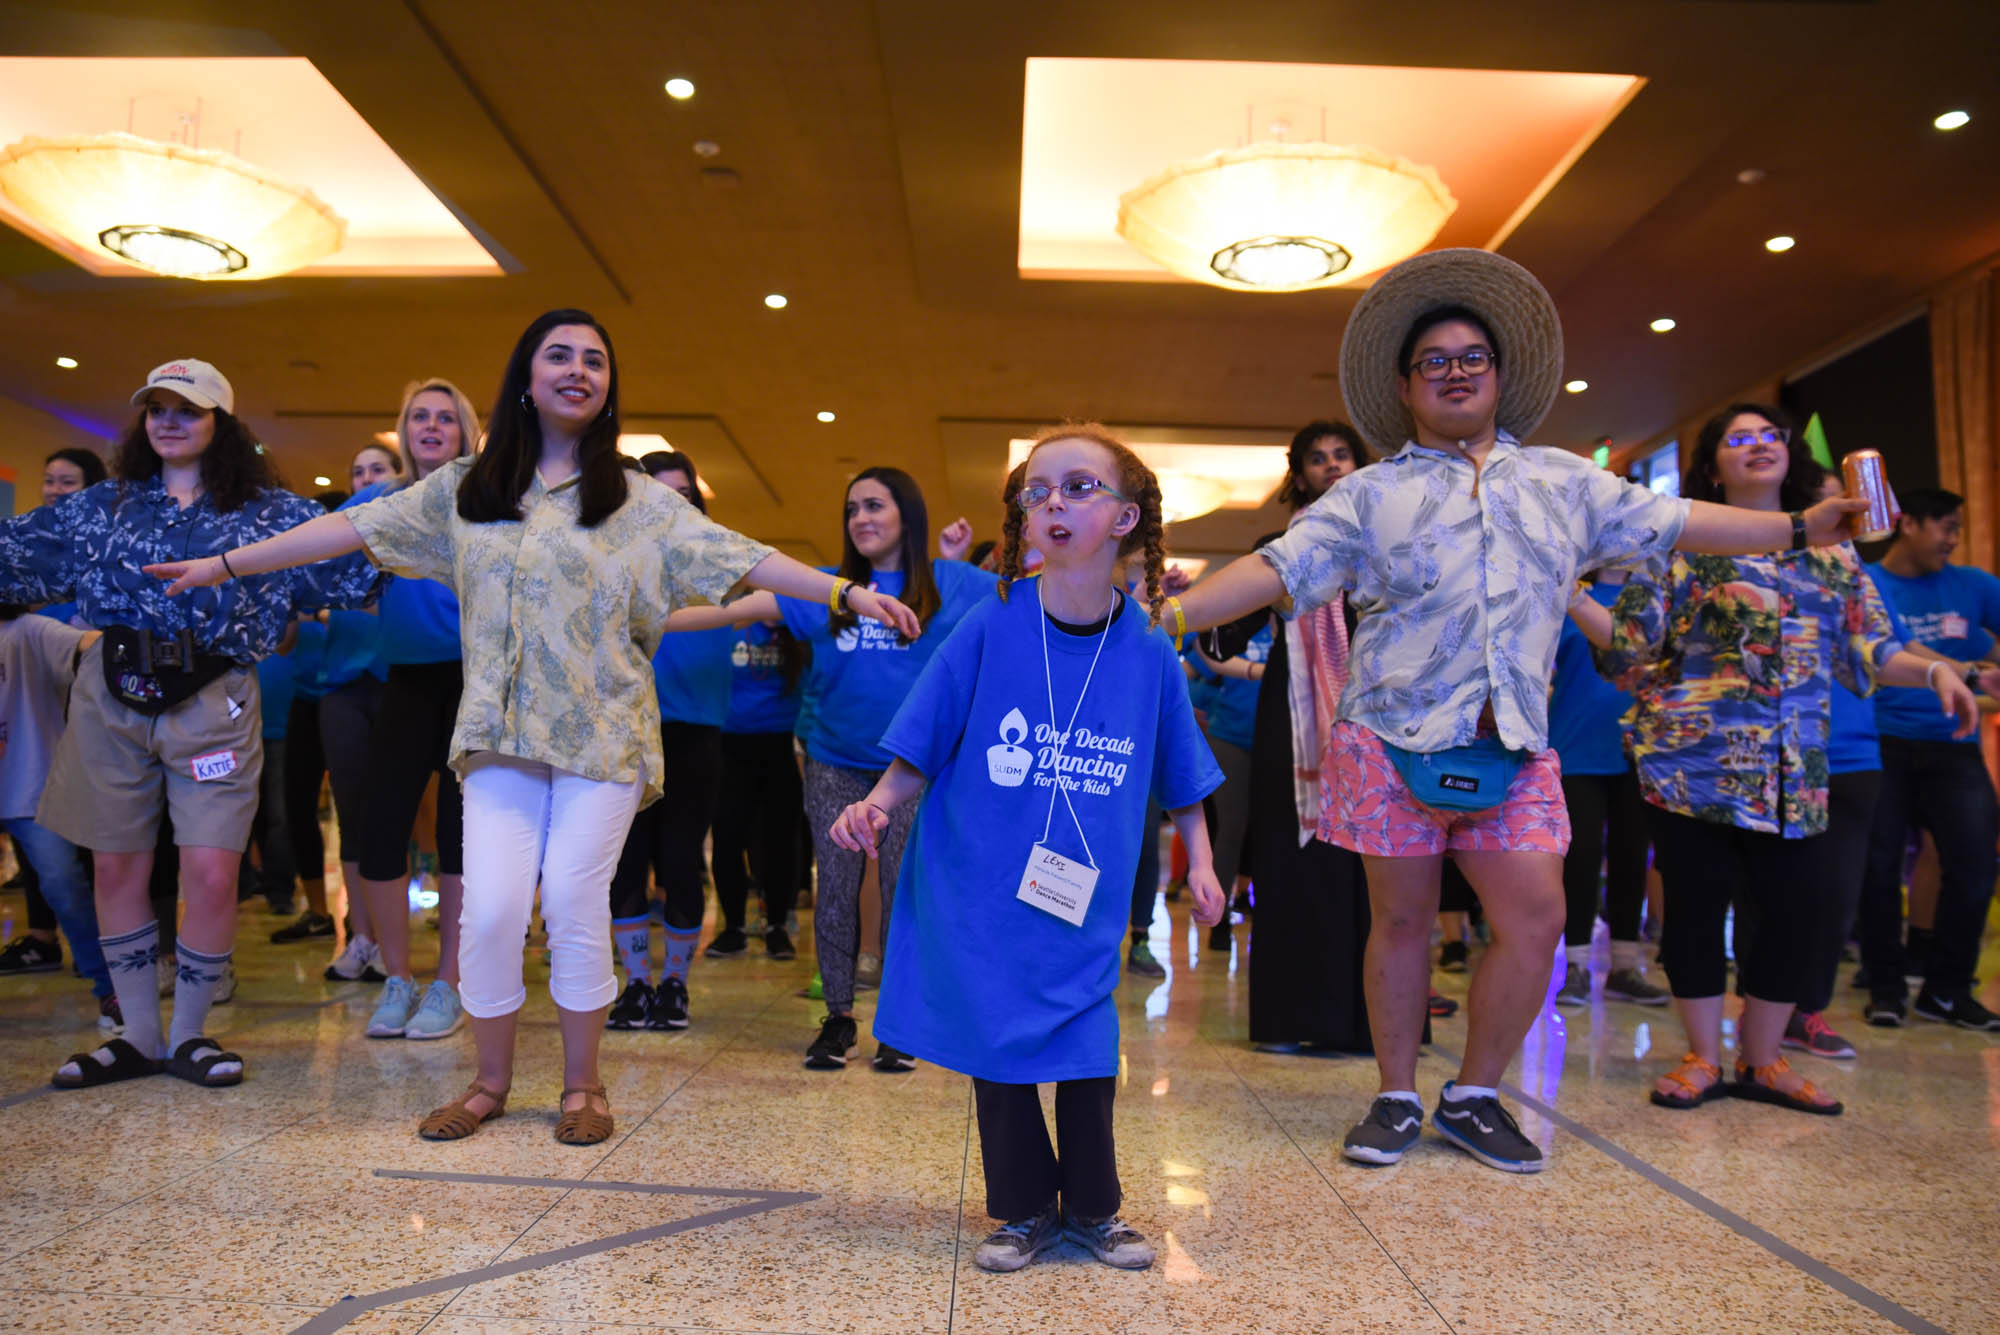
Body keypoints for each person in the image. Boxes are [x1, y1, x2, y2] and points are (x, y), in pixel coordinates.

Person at [1171, 248, 1872, 1174]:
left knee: (1537, 913)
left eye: (1473, 357)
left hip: (1515, 736)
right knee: (1403, 921)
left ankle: (1473, 1094)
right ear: (1404, 384)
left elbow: (1678, 524)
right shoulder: (1367, 493)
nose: (1456, 371)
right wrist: (1167, 619)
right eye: (1435, 360)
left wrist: (1796, 529)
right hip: (1388, 733)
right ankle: (1393, 1094)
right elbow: (1277, 571)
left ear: (1500, 376)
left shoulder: (1562, 481)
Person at [148, 310, 916, 1143]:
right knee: (489, 909)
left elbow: (742, 555)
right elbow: (349, 528)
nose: (579, 369)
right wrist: (224, 563)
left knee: (576, 898)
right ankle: (488, 1082)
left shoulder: (637, 500)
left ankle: (584, 1086)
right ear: (527, 375)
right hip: (499, 730)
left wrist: (844, 593)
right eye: (560, 355)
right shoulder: (467, 490)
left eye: (595, 359)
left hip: (604, 732)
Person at [830, 424, 1224, 1273]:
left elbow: (1182, 769)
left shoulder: (1151, 651)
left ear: (1126, 517)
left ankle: (1091, 1209)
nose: (1052, 502)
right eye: (1036, 490)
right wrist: (875, 801)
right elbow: (926, 733)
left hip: (1083, 892)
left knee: (1086, 1040)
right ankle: (1019, 1211)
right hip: (980, 878)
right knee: (996, 1041)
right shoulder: (989, 622)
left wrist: (1208, 859)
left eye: (1078, 487)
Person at [1574, 404, 1973, 1116]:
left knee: (1800, 914)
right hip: (1690, 762)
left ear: (1790, 455)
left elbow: (1874, 647)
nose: (1757, 445)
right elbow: (1629, 647)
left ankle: (1761, 1059)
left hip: (1797, 768)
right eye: (1738, 437)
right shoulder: (1681, 547)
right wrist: (1568, 594)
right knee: (1696, 912)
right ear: (1712, 463)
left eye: (1769, 435)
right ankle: (1702, 1055)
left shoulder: (1833, 553)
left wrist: (1938, 670)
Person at [0, 358, 384, 1089]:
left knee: (211, 870)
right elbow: (12, 557)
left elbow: (364, 562)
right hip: (110, 697)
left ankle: (191, 1034)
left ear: (220, 423)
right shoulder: (99, 508)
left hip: (217, 697)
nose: (169, 420)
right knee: (116, 864)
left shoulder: (272, 514)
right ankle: (137, 1034)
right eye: (157, 408)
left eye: (188, 408)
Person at [677, 467, 990, 1072]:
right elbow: (729, 611)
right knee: (836, 891)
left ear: (908, 515)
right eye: (852, 509)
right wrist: (633, 617)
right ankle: (839, 1019)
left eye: (875, 505)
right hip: (833, 763)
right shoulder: (825, 588)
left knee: (904, 893)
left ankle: (900, 1025)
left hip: (912, 771)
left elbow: (1029, 600)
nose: (861, 519)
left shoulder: (955, 584)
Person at [1209, 422, 1384, 1053]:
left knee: (1371, 862)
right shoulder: (1280, 546)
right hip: (1292, 718)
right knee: (1289, 855)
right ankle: (1289, 1020)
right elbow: (1224, 635)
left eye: (1342, 456)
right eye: (1318, 458)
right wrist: (1200, 605)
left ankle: (1366, 1025)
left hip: (1373, 714)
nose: (1332, 466)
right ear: (1299, 473)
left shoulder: (1387, 540)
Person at [347, 380, 482, 1042]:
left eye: (446, 417)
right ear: (403, 430)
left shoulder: (485, 497)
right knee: (380, 826)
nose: (432, 426)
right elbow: (319, 546)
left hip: (473, 681)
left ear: (466, 430)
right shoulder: (380, 498)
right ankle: (396, 977)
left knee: (462, 835)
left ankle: (449, 984)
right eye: (419, 417)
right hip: (402, 679)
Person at [1858, 488, 2000, 1031]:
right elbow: (1882, 645)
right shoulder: (1869, 581)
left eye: (1957, 528)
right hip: (1882, 741)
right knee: (1878, 867)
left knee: (1975, 864)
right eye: (1943, 526)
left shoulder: (1973, 586)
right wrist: (1967, 670)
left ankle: (1947, 991)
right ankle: (1886, 987)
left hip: (1954, 745)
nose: (1952, 538)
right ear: (1907, 524)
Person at [605, 451, 737, 1032]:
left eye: (686, 493)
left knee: (682, 861)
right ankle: (635, 984)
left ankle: (675, 984)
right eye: (663, 492)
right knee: (625, 865)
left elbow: (779, 594)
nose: (675, 503)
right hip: (624, 729)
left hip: (694, 732)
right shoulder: (614, 557)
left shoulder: (718, 559)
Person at [1548, 567, 1665, 1007]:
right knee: (1579, 856)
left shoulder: (1652, 597)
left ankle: (1623, 967)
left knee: (1632, 854)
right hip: (1575, 746)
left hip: (1639, 747)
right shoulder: (1571, 597)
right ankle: (1575, 965)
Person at [0, 606, 113, 1028]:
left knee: (64, 885)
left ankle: (110, 990)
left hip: (28, 786)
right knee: (64, 883)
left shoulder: (27, 630)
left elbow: (91, 644)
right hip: (27, 785)